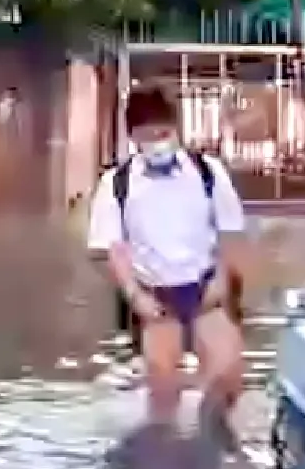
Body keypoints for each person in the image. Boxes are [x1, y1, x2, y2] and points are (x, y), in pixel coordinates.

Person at [87, 87, 248, 442]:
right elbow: (113, 248)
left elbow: (230, 231)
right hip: (154, 294)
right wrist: (135, 295)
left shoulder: (207, 172)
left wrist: (223, 279)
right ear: (133, 138)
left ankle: (213, 429)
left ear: (176, 129)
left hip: (205, 285)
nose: (158, 143)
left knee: (229, 374)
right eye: (148, 136)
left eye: (163, 133)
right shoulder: (116, 184)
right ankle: (162, 443)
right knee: (163, 385)